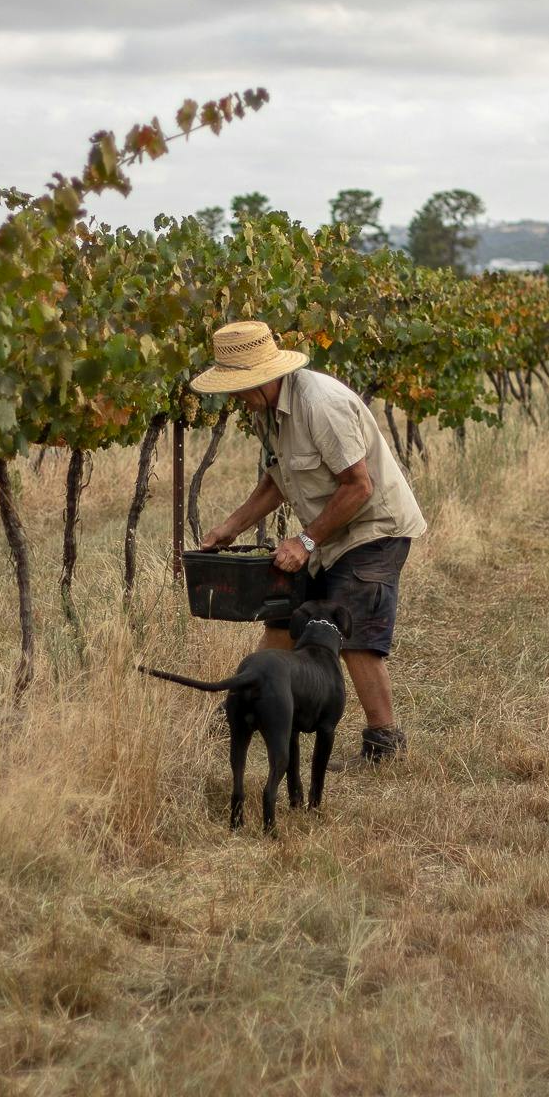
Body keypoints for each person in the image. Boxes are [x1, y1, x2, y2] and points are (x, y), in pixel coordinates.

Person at [192, 318, 425, 763]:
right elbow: (276, 480)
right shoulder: (267, 412)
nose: (234, 397)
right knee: (286, 617)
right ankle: (239, 710)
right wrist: (228, 528)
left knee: (353, 629)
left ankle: (383, 743)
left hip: (373, 527)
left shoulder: (321, 404)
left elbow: (359, 486)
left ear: (263, 378)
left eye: (238, 386)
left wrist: (306, 541)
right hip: (332, 531)